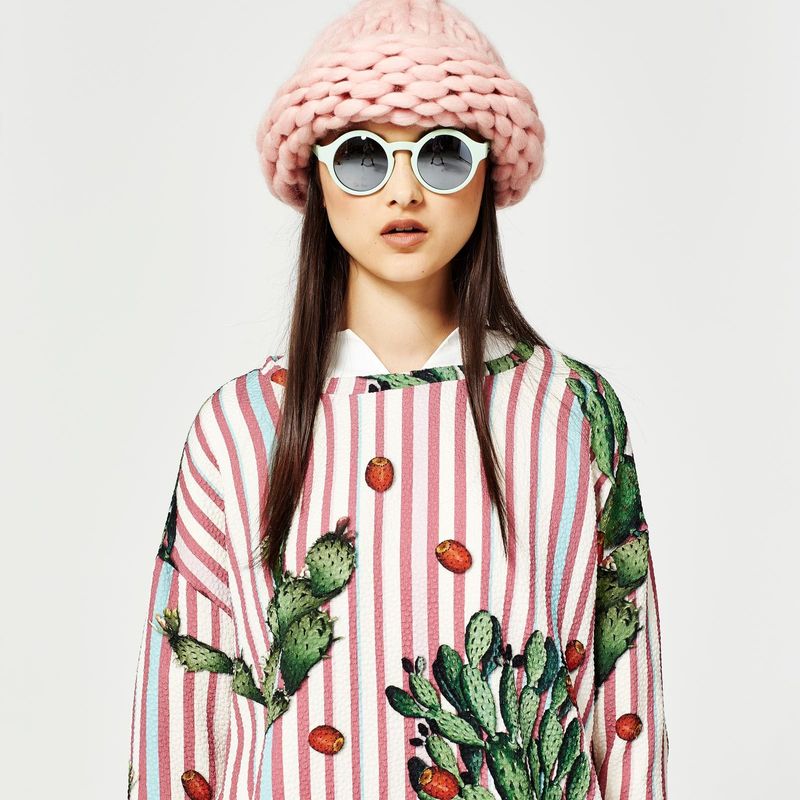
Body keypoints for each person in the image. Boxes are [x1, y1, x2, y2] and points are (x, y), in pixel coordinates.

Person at [126, 1, 669, 798]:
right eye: (362, 157)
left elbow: (627, 713)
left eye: (443, 154)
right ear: (316, 176)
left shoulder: (571, 412)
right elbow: (182, 724)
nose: (404, 190)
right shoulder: (238, 430)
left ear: (487, 173)